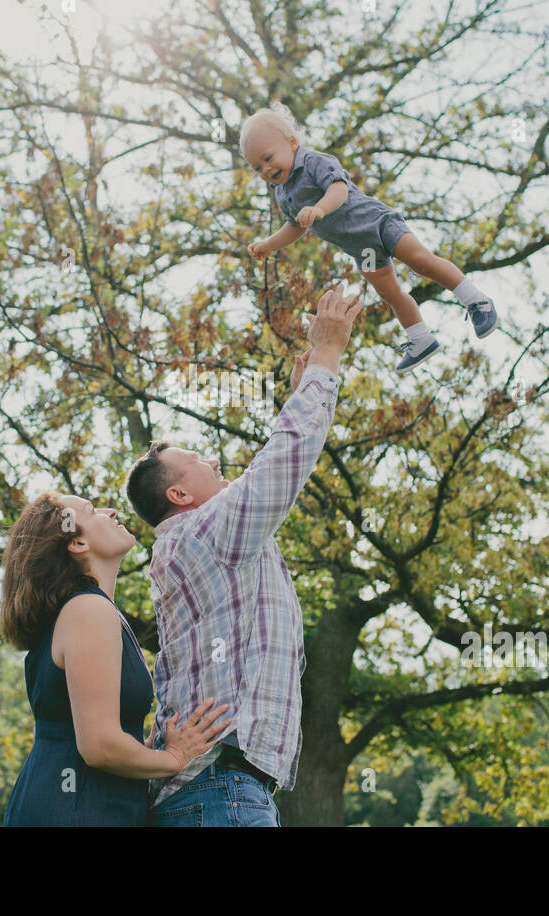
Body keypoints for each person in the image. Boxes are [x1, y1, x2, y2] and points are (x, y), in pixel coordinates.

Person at [124, 283, 364, 826]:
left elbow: (269, 471)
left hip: (216, 793)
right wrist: (327, 353)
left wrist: (299, 397)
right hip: (222, 792)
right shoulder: (204, 533)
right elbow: (280, 464)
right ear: (179, 495)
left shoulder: (200, 542)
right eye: (199, 459)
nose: (215, 462)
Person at [0, 492, 233, 826]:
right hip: (76, 810)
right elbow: (99, 746)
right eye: (93, 511)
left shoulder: (88, 611)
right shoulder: (87, 610)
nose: (110, 511)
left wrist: (144, 747)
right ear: (77, 542)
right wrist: (173, 758)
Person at [241, 102, 499, 374]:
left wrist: (319, 209)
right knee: (389, 292)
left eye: (268, 158)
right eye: (257, 168)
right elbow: (295, 226)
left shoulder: (314, 162)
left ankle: (476, 300)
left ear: (292, 142)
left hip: (378, 222)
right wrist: (269, 244)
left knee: (421, 261)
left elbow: (339, 189)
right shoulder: (283, 194)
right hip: (361, 248)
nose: (266, 171)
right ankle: (421, 339)